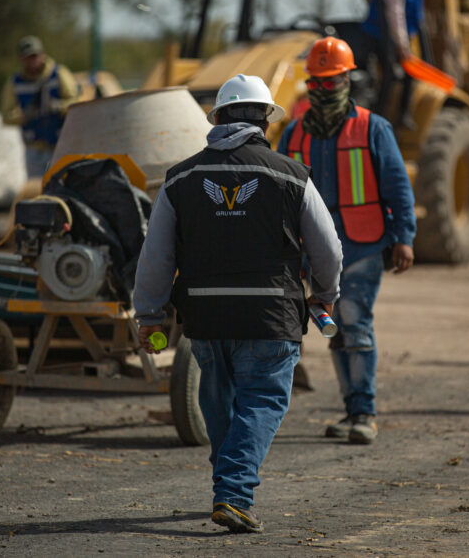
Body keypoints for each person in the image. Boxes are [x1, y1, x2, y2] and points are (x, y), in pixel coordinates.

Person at [132, 74, 342, 534]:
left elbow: (155, 257)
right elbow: (329, 250)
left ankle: (227, 486)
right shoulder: (292, 175)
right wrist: (324, 295)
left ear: (219, 118)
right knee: (262, 400)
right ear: (266, 118)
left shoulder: (180, 178)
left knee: (220, 399)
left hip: (205, 319)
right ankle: (233, 493)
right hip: (271, 317)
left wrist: (148, 315)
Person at [279, 36, 416, 443]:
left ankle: (364, 413)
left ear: (347, 80)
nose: (323, 89)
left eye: (332, 81)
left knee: (354, 323)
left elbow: (398, 187)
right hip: (312, 252)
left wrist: (404, 237)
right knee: (334, 329)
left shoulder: (374, 128)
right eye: (317, 82)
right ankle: (353, 409)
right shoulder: (293, 134)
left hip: (361, 245)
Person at [361, 0, 439, 129]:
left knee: (410, 74)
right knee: (390, 73)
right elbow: (395, 14)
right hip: (381, 34)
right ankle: (378, 117)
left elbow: (415, 13)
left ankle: (404, 115)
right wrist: (402, 46)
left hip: (400, 36)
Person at [0, 36, 80, 178]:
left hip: (60, 146)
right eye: (28, 57)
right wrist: (25, 115)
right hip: (34, 149)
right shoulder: (15, 82)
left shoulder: (59, 74)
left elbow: (77, 103)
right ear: (21, 59)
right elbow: (6, 117)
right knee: (37, 191)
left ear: (42, 55)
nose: (33, 61)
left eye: (35, 56)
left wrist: (58, 107)